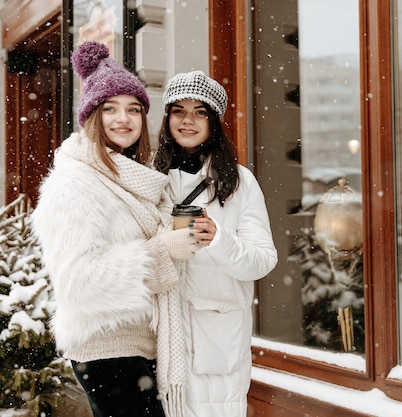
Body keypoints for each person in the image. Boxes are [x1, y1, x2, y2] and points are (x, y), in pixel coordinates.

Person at [32, 41, 198, 417]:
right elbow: (79, 281)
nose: (123, 119)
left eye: (133, 109)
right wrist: (161, 250)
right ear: (92, 117)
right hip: (108, 350)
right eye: (110, 109)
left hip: (139, 347)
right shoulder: (75, 184)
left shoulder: (132, 179)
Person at [154, 70, 278, 417]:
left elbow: (263, 260)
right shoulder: (149, 176)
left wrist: (218, 239)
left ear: (214, 121)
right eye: (178, 110)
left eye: (200, 112)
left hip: (216, 339)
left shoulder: (239, 182)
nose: (188, 120)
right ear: (167, 118)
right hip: (158, 339)